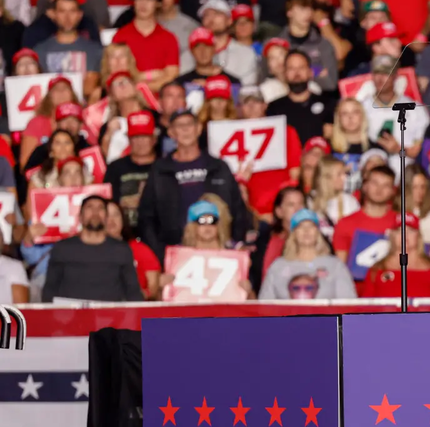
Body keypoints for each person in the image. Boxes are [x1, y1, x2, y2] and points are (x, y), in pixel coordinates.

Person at [137, 109, 249, 260]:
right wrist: (160, 253)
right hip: (175, 252)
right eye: (179, 125)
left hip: (218, 250)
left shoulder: (218, 166)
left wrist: (234, 245)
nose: (185, 129)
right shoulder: (159, 170)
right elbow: (147, 217)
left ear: (198, 129)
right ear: (170, 132)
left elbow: (237, 209)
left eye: (189, 124)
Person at [43, 195, 144, 303]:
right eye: (89, 207)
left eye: (100, 208)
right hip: (69, 316)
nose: (95, 212)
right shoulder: (62, 249)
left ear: (106, 218)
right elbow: (50, 290)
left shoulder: (121, 250)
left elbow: (133, 292)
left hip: (111, 316)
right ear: (80, 217)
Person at [260, 209, 357, 300]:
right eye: (301, 226)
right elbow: (265, 306)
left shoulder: (335, 265)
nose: (306, 231)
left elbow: (348, 305)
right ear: (293, 234)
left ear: (317, 232)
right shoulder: (278, 266)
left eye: (311, 226)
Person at [362, 212, 430, 298]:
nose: (405, 234)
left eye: (411, 230)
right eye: (399, 230)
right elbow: (365, 308)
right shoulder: (377, 270)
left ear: (418, 236)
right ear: (392, 235)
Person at [111, 0, 180, 92]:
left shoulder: (169, 38)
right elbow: (117, 77)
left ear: (158, 3)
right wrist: (150, 76)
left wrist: (137, 83)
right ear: (133, 1)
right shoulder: (120, 36)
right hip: (129, 101)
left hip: (159, 104)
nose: (143, 4)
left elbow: (171, 76)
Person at [265, 51, 336, 145]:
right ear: (285, 73)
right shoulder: (273, 108)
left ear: (310, 72)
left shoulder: (328, 105)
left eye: (301, 67)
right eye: (291, 68)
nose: (297, 73)